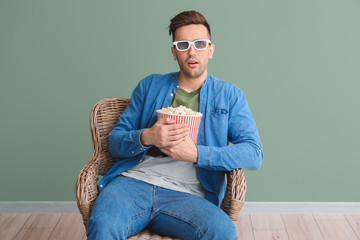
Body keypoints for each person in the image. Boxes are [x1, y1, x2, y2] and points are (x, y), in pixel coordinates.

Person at [87, 10, 263, 240]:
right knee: (102, 225)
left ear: (211, 49)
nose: (192, 51)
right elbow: (115, 141)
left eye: (200, 44)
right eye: (183, 44)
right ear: (174, 52)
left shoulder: (229, 96)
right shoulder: (150, 85)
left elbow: (254, 152)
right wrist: (148, 136)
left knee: (222, 232)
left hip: (188, 195)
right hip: (132, 184)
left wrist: (198, 154)